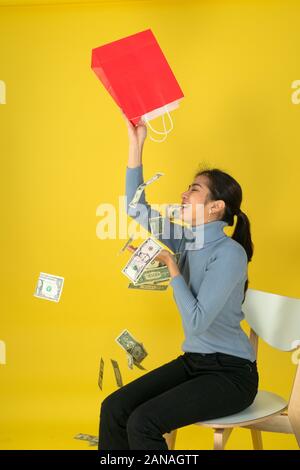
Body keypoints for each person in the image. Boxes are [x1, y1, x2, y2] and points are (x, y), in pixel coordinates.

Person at [98, 111, 259, 450]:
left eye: (194, 189)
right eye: (188, 187)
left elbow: (198, 323)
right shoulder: (186, 239)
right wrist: (135, 144)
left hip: (230, 375)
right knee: (114, 408)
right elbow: (136, 208)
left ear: (215, 207)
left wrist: (172, 268)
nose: (184, 194)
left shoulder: (230, 254)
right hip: (194, 363)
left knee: (143, 422)